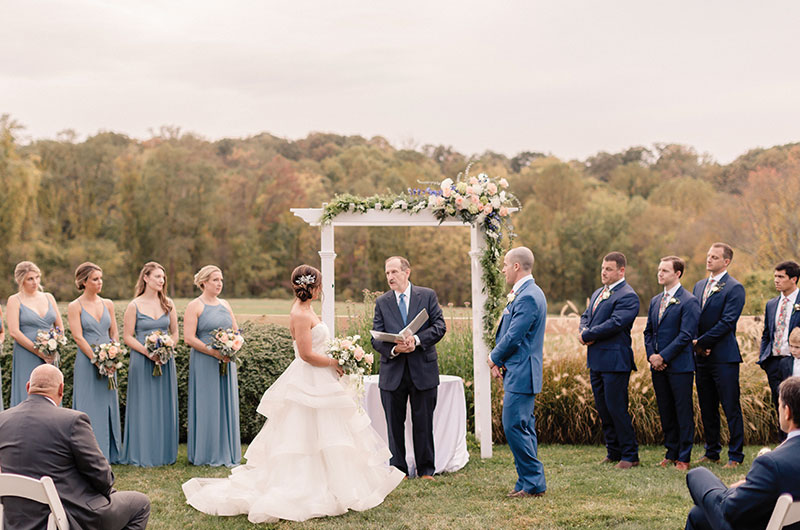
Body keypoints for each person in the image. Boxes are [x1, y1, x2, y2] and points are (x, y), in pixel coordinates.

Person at [183, 265, 404, 523]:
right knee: (305, 435)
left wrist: (336, 355)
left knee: (330, 435)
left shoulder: (307, 309)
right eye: (320, 284)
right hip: (308, 381)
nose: (322, 289)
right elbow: (307, 355)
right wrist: (335, 363)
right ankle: (306, 487)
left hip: (321, 379)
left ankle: (336, 483)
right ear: (314, 286)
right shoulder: (300, 313)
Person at [0, 364, 150, 530]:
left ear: (28, 387)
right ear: (61, 389)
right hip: (68, 514)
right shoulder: (72, 420)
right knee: (140, 504)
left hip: (15, 516)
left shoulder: (3, 419)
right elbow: (102, 477)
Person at [684, 376, 800, 530]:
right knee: (698, 515)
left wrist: (730, 492)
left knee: (697, 474)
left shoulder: (771, 463)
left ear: (787, 412)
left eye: (779, 404)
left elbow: (730, 511)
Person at [371, 256, 447, 478]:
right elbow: (376, 338)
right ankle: (398, 470)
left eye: (394, 272)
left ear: (407, 272)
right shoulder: (382, 302)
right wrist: (395, 350)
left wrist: (418, 340)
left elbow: (440, 326)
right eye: (387, 273)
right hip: (392, 372)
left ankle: (425, 470)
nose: (390, 277)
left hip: (422, 370)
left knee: (423, 422)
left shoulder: (427, 295)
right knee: (394, 426)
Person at [487, 247, 547, 498]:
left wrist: (493, 358)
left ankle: (533, 481)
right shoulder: (525, 293)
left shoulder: (528, 296)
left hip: (523, 372)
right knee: (523, 427)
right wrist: (503, 364)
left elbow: (514, 336)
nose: (502, 269)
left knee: (513, 426)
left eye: (505, 264)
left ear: (516, 267)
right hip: (518, 369)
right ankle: (527, 482)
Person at [579, 252, 640, 469]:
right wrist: (583, 329)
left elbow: (616, 323)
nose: (604, 272)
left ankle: (630, 455)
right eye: (603, 268)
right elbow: (586, 316)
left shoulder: (628, 296)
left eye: (609, 269)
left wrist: (588, 335)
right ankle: (613, 451)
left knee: (617, 408)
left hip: (615, 361)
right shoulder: (598, 293)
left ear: (621, 271)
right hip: (596, 360)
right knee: (603, 409)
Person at [643, 256, 700, 470]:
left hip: (680, 366)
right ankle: (671, 452)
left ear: (677, 274)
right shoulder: (656, 300)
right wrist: (652, 356)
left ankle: (684, 457)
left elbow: (686, 335)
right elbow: (648, 331)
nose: (660, 273)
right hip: (657, 365)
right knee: (665, 410)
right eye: (659, 270)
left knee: (682, 411)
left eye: (665, 270)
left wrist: (663, 357)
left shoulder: (689, 301)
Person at [692, 243, 746, 468]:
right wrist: (697, 346)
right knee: (707, 406)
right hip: (701, 357)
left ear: (726, 262)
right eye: (708, 256)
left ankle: (735, 455)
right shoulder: (698, 286)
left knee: (730, 406)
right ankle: (712, 451)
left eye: (714, 257)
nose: (709, 260)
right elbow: (694, 317)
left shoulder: (734, 288)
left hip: (724, 357)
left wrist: (703, 342)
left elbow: (727, 322)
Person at [120, 261, 179, 466]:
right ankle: (141, 452)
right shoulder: (134, 305)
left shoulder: (168, 304)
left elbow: (176, 333)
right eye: (157, 277)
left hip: (165, 361)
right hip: (142, 360)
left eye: (163, 277)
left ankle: (164, 453)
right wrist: (148, 352)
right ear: (145, 278)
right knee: (143, 405)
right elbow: (127, 336)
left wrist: (167, 348)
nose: (161, 280)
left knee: (164, 404)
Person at [184, 265, 241, 466]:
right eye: (215, 280)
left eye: (221, 280)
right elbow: (189, 338)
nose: (219, 284)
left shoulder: (225, 304)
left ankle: (227, 450)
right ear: (204, 282)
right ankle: (207, 452)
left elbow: (236, 331)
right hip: (204, 361)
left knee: (225, 403)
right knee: (208, 404)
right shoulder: (195, 306)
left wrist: (233, 345)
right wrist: (213, 351)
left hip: (227, 361)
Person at [67, 261, 123, 463]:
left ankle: (110, 451)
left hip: (109, 362)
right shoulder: (75, 306)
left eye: (101, 279)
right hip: (88, 361)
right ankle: (88, 452)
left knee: (108, 404)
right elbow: (78, 337)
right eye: (95, 279)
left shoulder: (108, 303)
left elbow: (114, 331)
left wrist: (113, 351)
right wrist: (96, 358)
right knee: (89, 404)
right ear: (84, 281)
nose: (100, 282)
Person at [6, 261, 64, 408]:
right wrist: (38, 351)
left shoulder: (49, 297)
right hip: (27, 354)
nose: (35, 282)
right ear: (21, 280)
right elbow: (14, 331)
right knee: (28, 396)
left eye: (37, 277)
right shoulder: (15, 300)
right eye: (30, 279)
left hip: (50, 356)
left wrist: (54, 345)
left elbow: (60, 327)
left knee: (51, 393)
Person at [759, 260, 800, 437]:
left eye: (781, 277)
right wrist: (763, 358)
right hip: (774, 363)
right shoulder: (771, 304)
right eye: (775, 276)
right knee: (781, 407)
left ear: (794, 279)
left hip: (795, 361)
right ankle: (784, 446)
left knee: (797, 407)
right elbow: (767, 333)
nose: (776, 280)